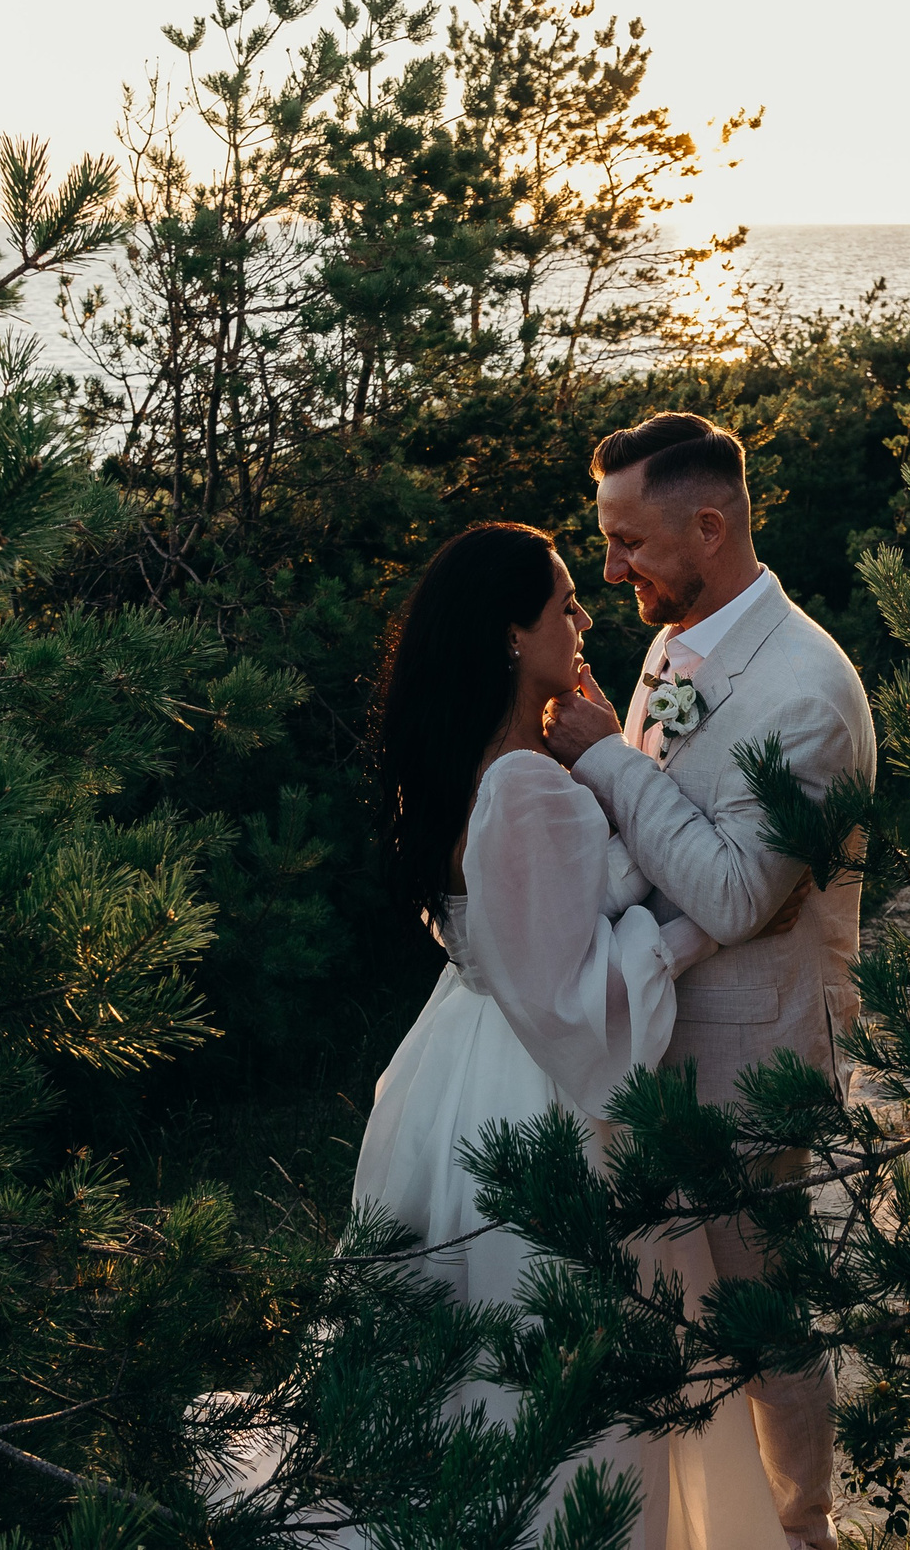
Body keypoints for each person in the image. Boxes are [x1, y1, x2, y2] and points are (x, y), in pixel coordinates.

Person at [344, 521, 790, 1547]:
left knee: (485, 1368)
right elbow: (570, 997)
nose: (586, 617)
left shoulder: (491, 760)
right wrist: (694, 927)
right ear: (511, 636)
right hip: (536, 1093)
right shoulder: (524, 786)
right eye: (563, 605)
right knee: (571, 1368)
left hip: (455, 1071)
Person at [545, 414, 877, 1550]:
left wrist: (599, 757)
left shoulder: (804, 691)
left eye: (628, 542)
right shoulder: (674, 639)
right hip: (658, 1026)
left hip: (749, 1051)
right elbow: (665, 823)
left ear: (707, 524)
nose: (609, 568)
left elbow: (736, 894)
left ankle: (800, 1530)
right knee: (673, 1303)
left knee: (758, 1311)